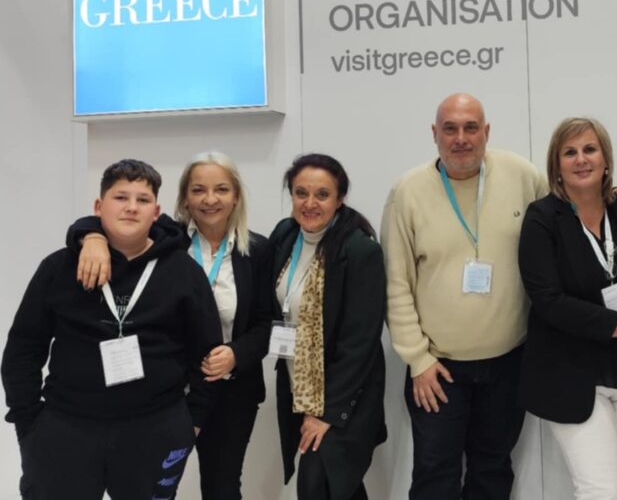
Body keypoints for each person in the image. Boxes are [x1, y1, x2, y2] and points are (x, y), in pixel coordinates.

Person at [1, 159, 222, 500]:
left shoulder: (183, 272)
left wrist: (190, 422)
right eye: (121, 197)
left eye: (142, 200)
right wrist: (28, 423)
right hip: (65, 428)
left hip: (155, 428)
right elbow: (22, 349)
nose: (131, 207)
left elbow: (207, 353)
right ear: (98, 206)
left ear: (156, 212)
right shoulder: (59, 267)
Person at [71, 152, 275, 500]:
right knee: (151, 487)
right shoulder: (166, 238)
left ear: (236, 196)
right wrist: (92, 239)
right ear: (184, 198)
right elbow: (103, 222)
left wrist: (236, 354)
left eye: (221, 189)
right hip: (167, 390)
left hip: (230, 390)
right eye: (198, 190)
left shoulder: (257, 250)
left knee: (222, 488)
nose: (210, 199)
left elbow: (265, 322)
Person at [381, 92, 549, 499]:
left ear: (486, 132)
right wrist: (418, 360)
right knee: (435, 478)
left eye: (471, 128)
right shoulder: (408, 192)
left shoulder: (523, 177)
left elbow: (566, 217)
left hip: (508, 364)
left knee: (492, 472)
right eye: (450, 129)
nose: (461, 138)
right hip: (437, 371)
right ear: (434, 133)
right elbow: (396, 283)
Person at [517, 117, 617, 500]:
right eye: (570, 152)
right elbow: (548, 301)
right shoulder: (542, 218)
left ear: (605, 159)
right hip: (570, 374)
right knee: (602, 490)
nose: (581, 159)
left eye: (589, 149)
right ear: (556, 166)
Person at [269, 153, 387, 500]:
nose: (310, 203)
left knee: (318, 484)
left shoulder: (359, 250)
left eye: (322, 194)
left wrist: (327, 413)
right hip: (299, 387)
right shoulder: (285, 235)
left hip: (345, 394)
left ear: (340, 199)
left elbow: (360, 341)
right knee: (339, 487)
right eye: (300, 193)